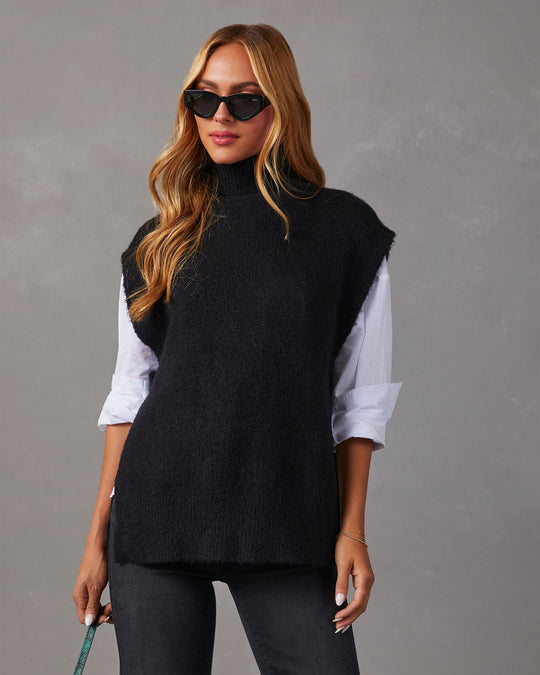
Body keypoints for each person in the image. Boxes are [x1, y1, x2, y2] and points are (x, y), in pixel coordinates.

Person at [72, 23, 403, 674]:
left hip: (285, 513)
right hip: (155, 510)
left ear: (280, 107)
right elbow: (130, 395)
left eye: (245, 100)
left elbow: (359, 399)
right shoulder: (158, 241)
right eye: (204, 98)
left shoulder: (343, 232)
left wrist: (352, 529)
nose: (220, 116)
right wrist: (95, 542)